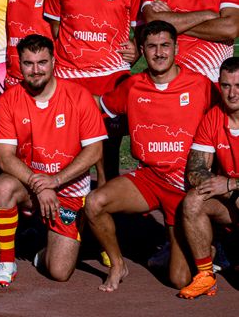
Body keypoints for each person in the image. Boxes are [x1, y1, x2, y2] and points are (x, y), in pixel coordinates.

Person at [86, 21, 214, 292]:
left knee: (179, 279)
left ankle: (204, 245)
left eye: (165, 45)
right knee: (95, 202)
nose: (159, 53)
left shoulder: (200, 85)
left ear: (176, 48)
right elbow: (99, 104)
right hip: (148, 178)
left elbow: (228, 111)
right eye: (152, 46)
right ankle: (118, 264)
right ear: (142, 50)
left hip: (183, 185)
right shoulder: (133, 86)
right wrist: (58, 93)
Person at [0, 35, 105, 286]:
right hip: (29, 184)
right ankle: (7, 263)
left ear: (53, 61)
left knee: (59, 272)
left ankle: (45, 249)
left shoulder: (79, 96)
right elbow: (4, 157)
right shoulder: (8, 101)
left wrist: (55, 181)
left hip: (69, 188)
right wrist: (40, 184)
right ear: (19, 64)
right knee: (3, 186)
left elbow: (95, 151)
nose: (35, 70)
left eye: (42, 62)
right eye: (28, 63)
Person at [43, 0, 144, 183]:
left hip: (111, 77)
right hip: (70, 77)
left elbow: (142, 28)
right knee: (66, 150)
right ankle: (68, 205)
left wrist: (137, 48)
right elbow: (55, 28)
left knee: (108, 151)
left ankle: (107, 203)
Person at [177, 57, 239, 299]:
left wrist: (231, 184)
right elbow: (195, 170)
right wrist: (228, 189)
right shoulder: (214, 117)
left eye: (238, 86)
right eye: (226, 86)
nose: (232, 93)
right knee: (193, 200)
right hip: (232, 200)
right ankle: (205, 275)